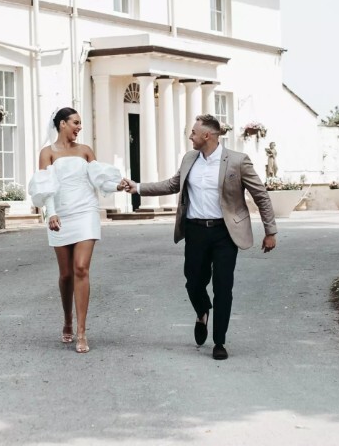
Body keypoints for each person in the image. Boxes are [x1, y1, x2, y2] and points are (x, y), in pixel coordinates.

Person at [121, 114, 277, 360]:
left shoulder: (237, 161)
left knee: (223, 287)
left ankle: (220, 342)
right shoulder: (190, 158)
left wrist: (270, 231)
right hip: (195, 230)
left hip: (225, 233)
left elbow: (261, 195)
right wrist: (138, 187)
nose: (190, 136)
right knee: (193, 282)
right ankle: (202, 309)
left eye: (193, 132)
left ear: (207, 136)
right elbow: (173, 184)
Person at [28, 107, 124, 354]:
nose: (79, 127)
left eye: (80, 123)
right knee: (66, 275)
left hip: (86, 212)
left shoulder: (85, 151)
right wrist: (51, 213)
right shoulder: (47, 153)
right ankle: (67, 319)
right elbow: (45, 184)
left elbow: (98, 178)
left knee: (81, 268)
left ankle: (81, 331)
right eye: (76, 123)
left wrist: (117, 185)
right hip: (60, 214)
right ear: (62, 124)